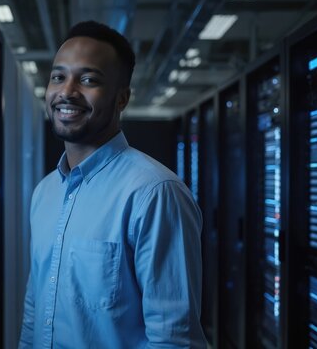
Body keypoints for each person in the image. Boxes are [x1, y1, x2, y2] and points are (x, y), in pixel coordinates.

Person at [19, 20, 206, 348]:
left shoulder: (154, 194)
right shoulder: (44, 192)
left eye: (88, 79)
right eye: (58, 77)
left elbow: (174, 340)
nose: (67, 92)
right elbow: (35, 311)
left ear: (122, 99)